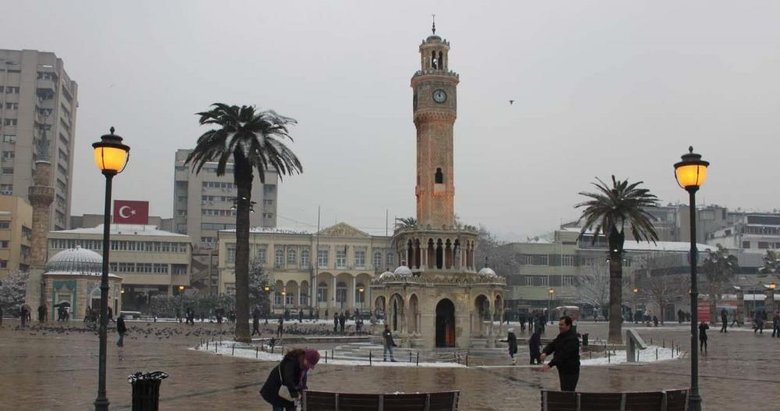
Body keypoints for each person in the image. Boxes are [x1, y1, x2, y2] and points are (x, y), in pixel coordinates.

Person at [539, 316, 580, 392]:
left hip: (570, 371)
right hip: (563, 370)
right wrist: (545, 352)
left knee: (568, 392)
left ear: (568, 326)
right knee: (565, 390)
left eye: (562, 325)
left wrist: (550, 364)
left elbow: (563, 355)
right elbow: (553, 344)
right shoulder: (562, 336)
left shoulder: (572, 339)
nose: (559, 327)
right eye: (559, 324)